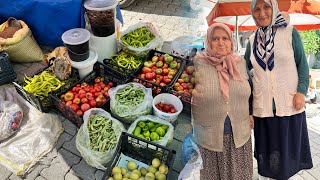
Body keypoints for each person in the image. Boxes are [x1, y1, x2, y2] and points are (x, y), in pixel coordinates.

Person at [244, 0, 313, 179]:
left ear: (274, 8)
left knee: (287, 161)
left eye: (266, 7)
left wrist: (301, 91)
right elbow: (243, 71)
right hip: (263, 109)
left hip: (289, 105)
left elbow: (302, 66)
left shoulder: (290, 32)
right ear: (253, 13)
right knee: (268, 159)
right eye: (257, 9)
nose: (262, 13)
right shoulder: (252, 40)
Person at [192, 23, 253, 180]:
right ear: (208, 41)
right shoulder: (198, 63)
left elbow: (249, 91)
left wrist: (252, 112)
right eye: (215, 38)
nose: (221, 43)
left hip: (240, 138)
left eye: (225, 38)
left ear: (231, 42)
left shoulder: (240, 63)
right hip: (210, 140)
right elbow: (187, 94)